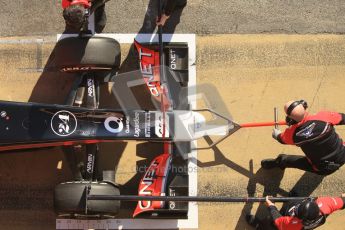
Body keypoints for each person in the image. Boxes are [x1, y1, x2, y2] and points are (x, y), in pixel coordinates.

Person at [261, 99, 345, 175]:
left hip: (322, 167)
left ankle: (279, 162)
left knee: (286, 159)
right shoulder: (324, 116)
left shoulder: (292, 134)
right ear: (304, 107)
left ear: (289, 117)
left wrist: (276, 134)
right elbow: (343, 118)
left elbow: (281, 139)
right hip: (342, 154)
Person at [246, 195, 345, 230]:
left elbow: (278, 219)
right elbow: (342, 201)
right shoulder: (326, 204)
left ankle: (259, 226)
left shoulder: (293, 224)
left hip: (285, 225)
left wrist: (271, 206)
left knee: (271, 223)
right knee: (290, 203)